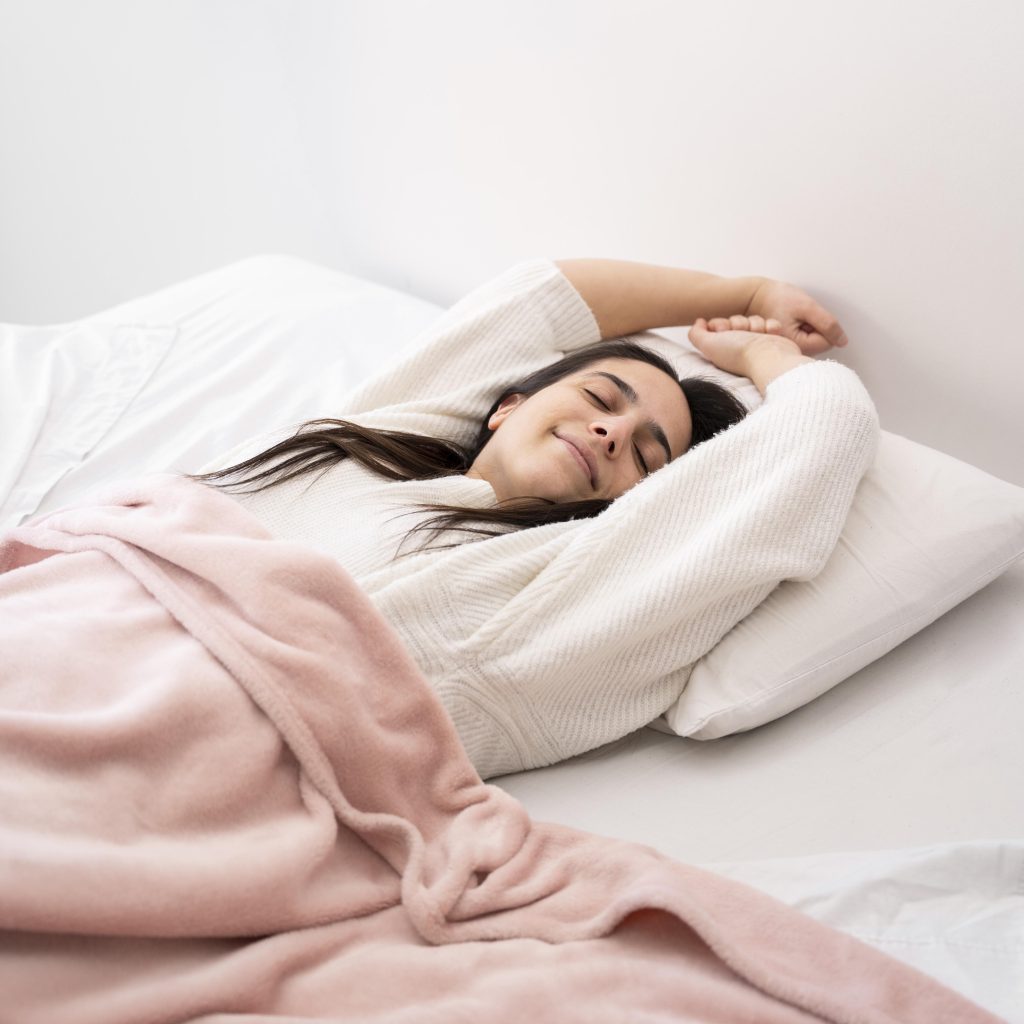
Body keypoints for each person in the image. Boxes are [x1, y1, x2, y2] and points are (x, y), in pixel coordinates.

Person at [192, 258, 878, 778]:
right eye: (600, 399)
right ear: (507, 407)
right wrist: (745, 294)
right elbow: (542, 297)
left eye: (647, 454)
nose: (612, 432)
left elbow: (826, 430)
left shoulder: (564, 586)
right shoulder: (380, 442)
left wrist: (764, 355)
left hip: (218, 729)